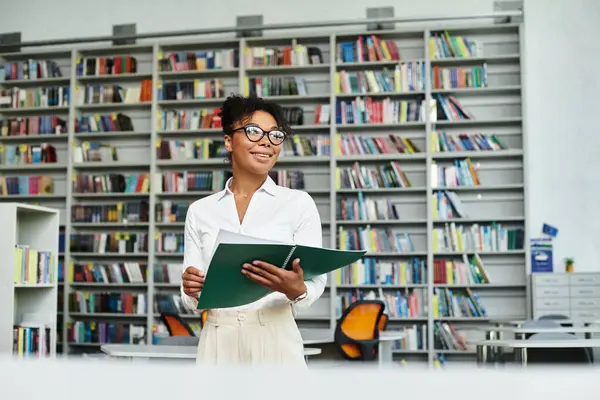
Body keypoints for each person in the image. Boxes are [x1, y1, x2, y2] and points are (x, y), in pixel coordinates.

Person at [180, 94, 327, 367]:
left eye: (275, 135)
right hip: (217, 337)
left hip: (275, 335)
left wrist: (298, 290)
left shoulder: (298, 203)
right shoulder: (200, 211)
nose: (266, 142)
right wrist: (190, 287)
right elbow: (191, 296)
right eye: (253, 131)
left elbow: (316, 282)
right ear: (228, 141)